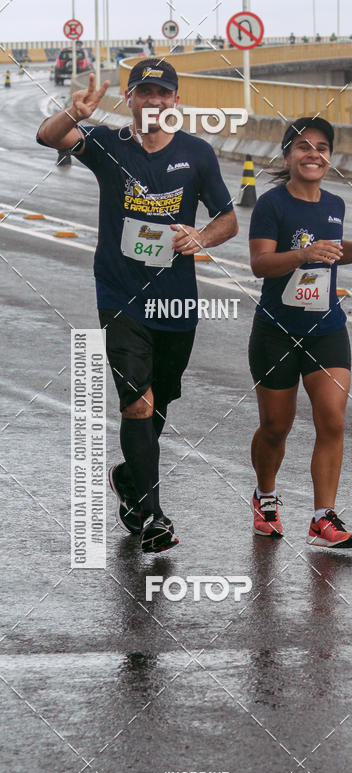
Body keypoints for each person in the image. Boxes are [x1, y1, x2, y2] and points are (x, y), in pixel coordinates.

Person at [36, 61, 238, 552]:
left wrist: (202, 236)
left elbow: (228, 219)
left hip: (176, 299)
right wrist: (74, 113)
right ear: (130, 98)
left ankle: (128, 477)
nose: (154, 101)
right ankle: (153, 516)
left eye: (162, 93)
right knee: (137, 403)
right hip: (120, 295)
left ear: (174, 100)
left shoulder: (197, 154)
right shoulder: (108, 145)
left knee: (159, 401)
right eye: (144, 93)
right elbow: (48, 137)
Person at [248, 117, 352, 548]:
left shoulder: (335, 204)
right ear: (288, 155)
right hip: (277, 331)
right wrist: (302, 254)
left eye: (321, 147)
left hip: (326, 328)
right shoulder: (271, 205)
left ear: (330, 157)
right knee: (275, 426)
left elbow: (337, 255)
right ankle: (265, 496)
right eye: (302, 146)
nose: (313, 154)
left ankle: (323, 518)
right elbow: (260, 264)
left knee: (333, 419)